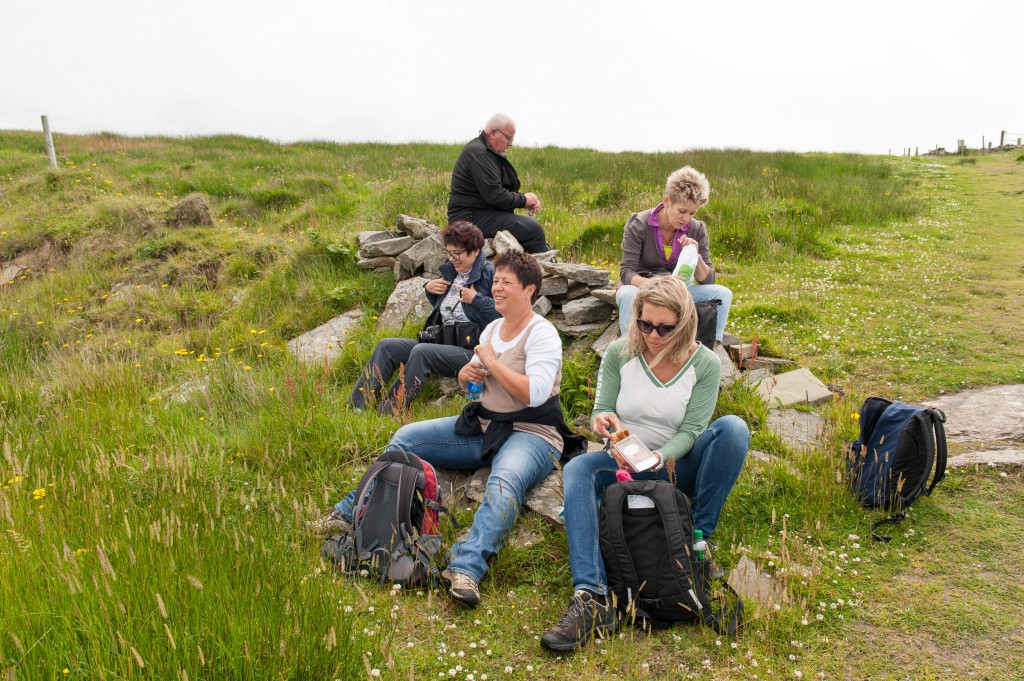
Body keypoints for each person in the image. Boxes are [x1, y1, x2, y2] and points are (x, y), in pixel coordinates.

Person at [312, 252, 585, 606]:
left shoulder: (542, 334)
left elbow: (534, 394)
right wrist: (464, 375)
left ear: (530, 289)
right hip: (485, 423)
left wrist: (488, 362)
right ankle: (350, 511)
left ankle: (467, 567)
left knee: (504, 483)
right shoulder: (491, 329)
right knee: (405, 437)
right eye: (496, 280)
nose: (497, 288)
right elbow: (471, 379)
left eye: (506, 282)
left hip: (532, 432)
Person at [541, 276, 748, 652]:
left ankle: (697, 543)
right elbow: (603, 407)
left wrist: (659, 458)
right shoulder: (620, 352)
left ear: (685, 323)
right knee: (576, 470)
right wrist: (602, 423)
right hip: (622, 459)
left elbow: (692, 430)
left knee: (733, 429)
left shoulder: (705, 363)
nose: (653, 334)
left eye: (665, 328)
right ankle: (592, 595)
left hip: (674, 465)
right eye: (645, 323)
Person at [348, 221, 499, 414]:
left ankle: (388, 412)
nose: (452, 258)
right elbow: (447, 310)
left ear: (476, 250)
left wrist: (477, 300)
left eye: (457, 253)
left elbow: (504, 315)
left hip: (473, 352)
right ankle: (357, 406)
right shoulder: (452, 272)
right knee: (387, 346)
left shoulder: (491, 275)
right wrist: (430, 291)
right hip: (443, 344)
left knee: (422, 352)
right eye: (449, 252)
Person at [616, 166, 733, 343]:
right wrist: (661, 285)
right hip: (643, 287)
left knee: (723, 294)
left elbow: (708, 280)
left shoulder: (697, 228)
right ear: (667, 201)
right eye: (682, 211)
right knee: (626, 294)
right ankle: (629, 349)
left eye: (692, 212)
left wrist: (697, 257)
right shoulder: (639, 224)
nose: (686, 218)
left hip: (679, 290)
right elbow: (627, 273)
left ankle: (710, 349)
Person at [447, 113, 549, 254]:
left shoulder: (485, 152)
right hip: (468, 219)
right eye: (509, 138)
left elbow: (497, 191)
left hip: (479, 214)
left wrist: (525, 198)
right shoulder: (480, 154)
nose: (511, 143)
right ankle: (541, 271)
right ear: (494, 133)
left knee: (527, 228)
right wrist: (524, 200)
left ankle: (538, 264)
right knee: (532, 229)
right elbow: (495, 195)